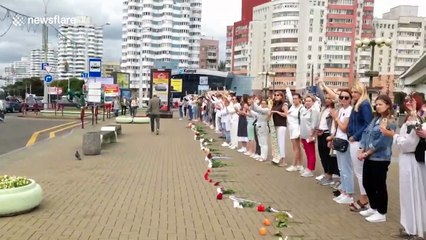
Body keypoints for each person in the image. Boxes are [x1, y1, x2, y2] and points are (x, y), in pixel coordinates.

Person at [382, 93, 426, 238]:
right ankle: (408, 226)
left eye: (412, 101)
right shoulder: (411, 119)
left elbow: (408, 144)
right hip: (406, 160)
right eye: (407, 100)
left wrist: (393, 135)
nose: (408, 102)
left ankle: (413, 229)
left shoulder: (417, 121)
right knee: (406, 195)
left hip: (411, 161)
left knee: (412, 194)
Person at [358, 95, 397, 223]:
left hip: (380, 158)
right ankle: (373, 207)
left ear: (388, 106)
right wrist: (361, 148)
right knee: (367, 183)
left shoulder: (390, 121)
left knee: (379, 185)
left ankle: (381, 212)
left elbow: (383, 141)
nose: (377, 106)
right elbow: (366, 133)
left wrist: (368, 151)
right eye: (376, 104)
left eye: (380, 104)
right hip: (369, 157)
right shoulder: (376, 118)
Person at [330, 90, 354, 204]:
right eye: (341, 97)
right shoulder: (340, 110)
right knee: (340, 168)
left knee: (346, 169)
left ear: (350, 99)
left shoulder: (350, 110)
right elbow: (337, 127)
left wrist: (336, 118)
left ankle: (349, 193)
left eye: (346, 97)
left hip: (345, 140)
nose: (343, 100)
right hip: (338, 139)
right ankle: (344, 191)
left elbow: (344, 127)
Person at [299, 95, 319, 177]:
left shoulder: (314, 111)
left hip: (309, 135)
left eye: (309, 101)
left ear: (313, 102)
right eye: (306, 101)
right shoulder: (304, 110)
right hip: (303, 134)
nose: (307, 102)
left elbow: (314, 124)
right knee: (307, 152)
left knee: (311, 153)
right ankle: (308, 168)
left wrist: (311, 135)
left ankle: (310, 169)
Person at [285, 91, 304, 173]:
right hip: (291, 128)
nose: (294, 100)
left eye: (296, 99)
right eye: (293, 99)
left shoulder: (302, 108)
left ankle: (294, 165)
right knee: (297, 148)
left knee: (296, 148)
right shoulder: (292, 107)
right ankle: (300, 165)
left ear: (300, 99)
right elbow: (288, 95)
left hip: (297, 129)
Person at [270, 91, 289, 167]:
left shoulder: (284, 104)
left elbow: (286, 114)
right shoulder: (274, 104)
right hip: (275, 125)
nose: (276, 96)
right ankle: (276, 158)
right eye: (275, 95)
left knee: (281, 142)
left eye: (278, 95)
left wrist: (277, 112)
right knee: (275, 142)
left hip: (281, 125)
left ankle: (283, 160)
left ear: (281, 96)